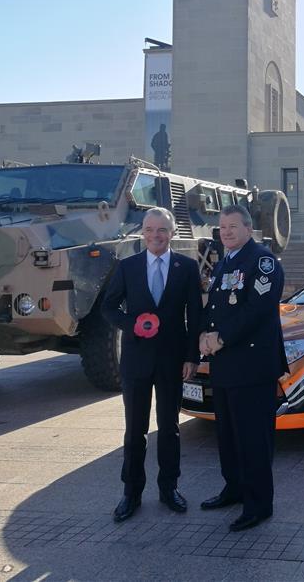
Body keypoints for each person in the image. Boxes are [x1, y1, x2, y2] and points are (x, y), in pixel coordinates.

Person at [101, 207, 202, 522]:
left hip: (173, 360)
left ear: (172, 233)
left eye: (161, 230)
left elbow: (195, 316)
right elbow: (109, 307)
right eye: (149, 229)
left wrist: (192, 356)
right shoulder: (127, 267)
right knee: (135, 431)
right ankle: (131, 493)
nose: (155, 236)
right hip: (136, 360)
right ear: (142, 232)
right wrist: (133, 324)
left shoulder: (186, 267)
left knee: (170, 429)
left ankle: (169, 488)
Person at [199, 204, 288, 532]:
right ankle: (234, 488)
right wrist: (203, 336)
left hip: (252, 367)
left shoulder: (262, 261)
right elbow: (215, 307)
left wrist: (220, 337)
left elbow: (258, 310)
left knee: (253, 438)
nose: (226, 232)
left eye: (233, 226)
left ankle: (259, 504)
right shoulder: (225, 262)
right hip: (225, 366)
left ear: (248, 229)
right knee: (228, 436)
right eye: (222, 227)